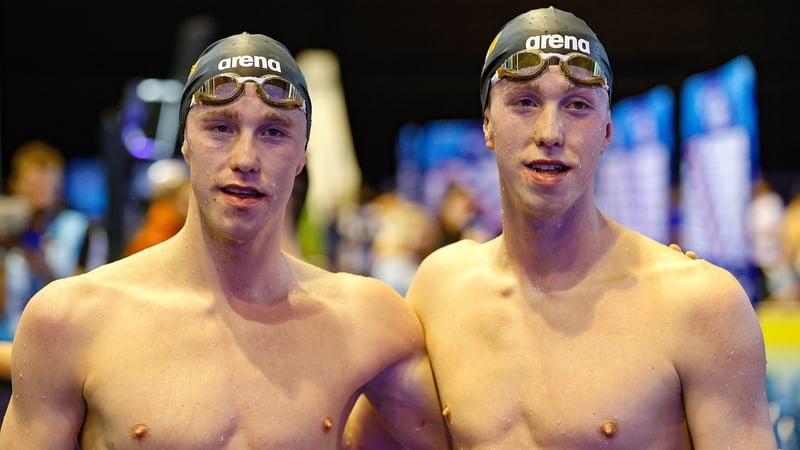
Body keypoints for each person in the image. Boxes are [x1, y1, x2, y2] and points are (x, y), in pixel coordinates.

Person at [0, 32, 449, 449]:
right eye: (220, 128)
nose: (245, 159)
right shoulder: (70, 320)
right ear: (186, 143)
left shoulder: (367, 323)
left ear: (301, 157)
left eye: (274, 132)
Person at [403, 7, 776, 449]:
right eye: (525, 102)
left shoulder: (698, 304)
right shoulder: (439, 290)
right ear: (487, 123)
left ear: (607, 131)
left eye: (578, 105)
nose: (551, 132)